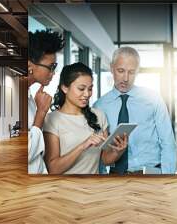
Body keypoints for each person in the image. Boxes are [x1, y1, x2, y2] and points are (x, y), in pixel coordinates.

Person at [94, 47, 177, 175]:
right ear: (111, 68)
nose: (125, 78)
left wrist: (167, 178)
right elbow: (98, 152)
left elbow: (168, 142)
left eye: (131, 72)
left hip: (150, 176)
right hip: (115, 177)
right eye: (120, 71)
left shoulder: (153, 99)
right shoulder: (99, 106)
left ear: (137, 71)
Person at [43, 62, 128, 174]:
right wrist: (83, 146)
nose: (87, 94)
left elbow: (105, 159)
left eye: (90, 89)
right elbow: (53, 169)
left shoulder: (99, 116)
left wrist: (118, 151)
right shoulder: (52, 120)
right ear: (64, 88)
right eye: (81, 88)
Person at [28, 29, 64, 174]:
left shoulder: (30, 96)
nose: (53, 73)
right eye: (51, 67)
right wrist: (41, 113)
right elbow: (28, 152)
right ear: (30, 65)